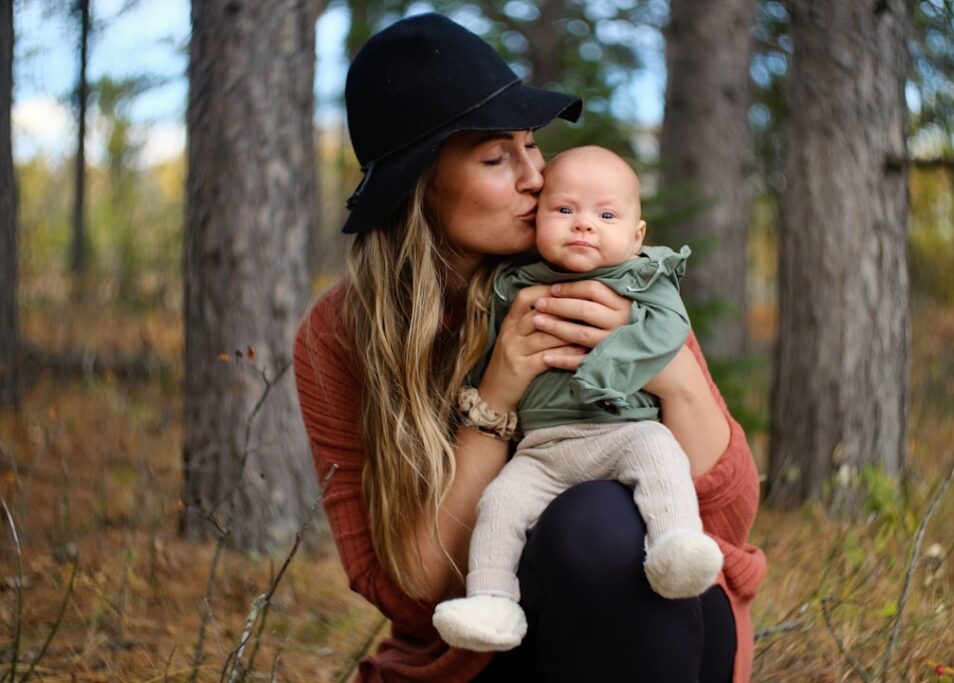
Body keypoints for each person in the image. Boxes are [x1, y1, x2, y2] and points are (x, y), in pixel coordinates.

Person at [292, 12, 766, 683]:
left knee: (595, 520)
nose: (536, 177)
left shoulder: (604, 269)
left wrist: (667, 367)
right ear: (419, 189)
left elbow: (728, 519)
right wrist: (496, 398)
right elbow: (412, 595)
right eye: (497, 158)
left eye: (532, 145)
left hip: (665, 623)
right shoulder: (343, 333)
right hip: (487, 649)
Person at [432, 145, 723, 653]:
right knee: (500, 503)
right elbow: (484, 349)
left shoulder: (642, 278)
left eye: (606, 216)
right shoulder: (514, 283)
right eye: (565, 210)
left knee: (660, 452)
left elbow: (669, 331)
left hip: (622, 431)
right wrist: (485, 390)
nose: (584, 224)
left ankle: (674, 544)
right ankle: (491, 600)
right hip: (542, 448)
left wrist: (611, 358)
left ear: (637, 235)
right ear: (538, 220)